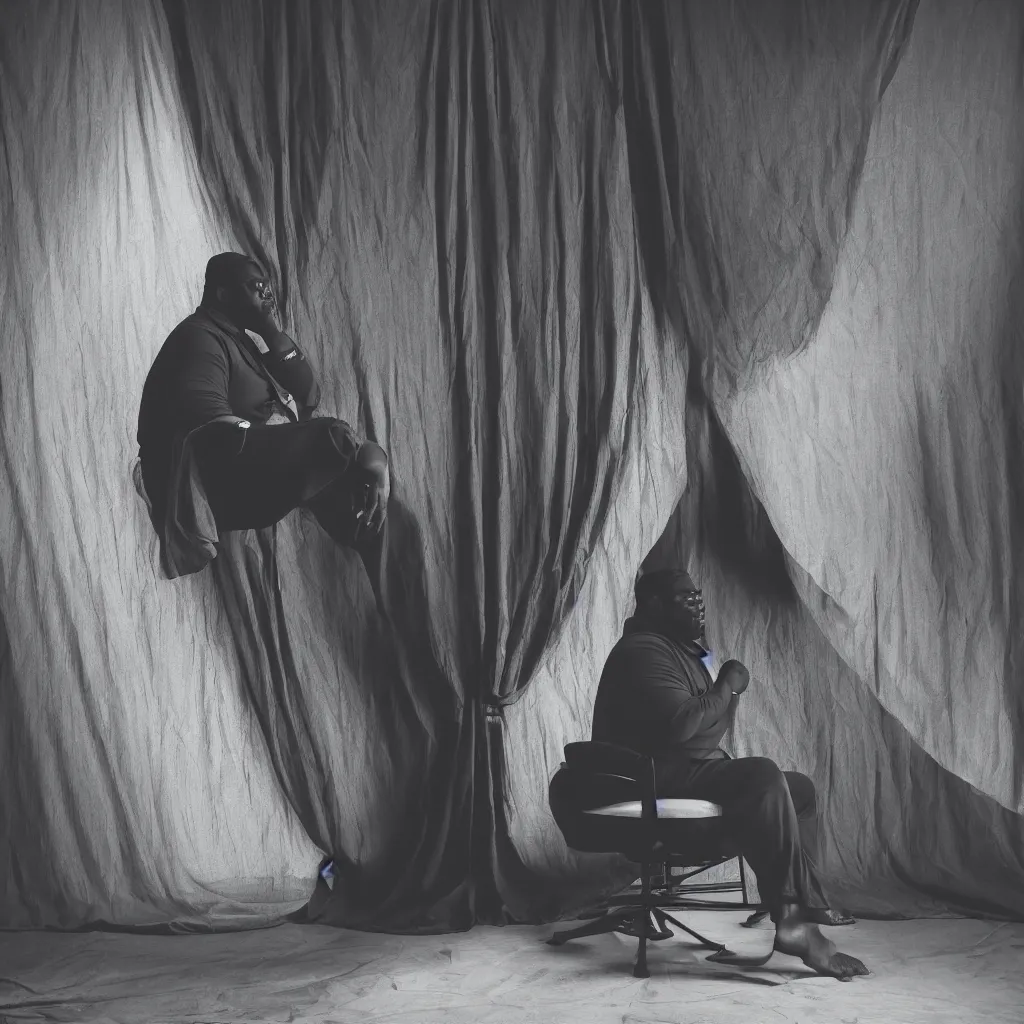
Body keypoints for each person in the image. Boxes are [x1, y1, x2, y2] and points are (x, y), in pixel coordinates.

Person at [591, 566, 868, 982]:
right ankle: (795, 922)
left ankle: (802, 895)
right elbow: (683, 727)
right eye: (685, 596)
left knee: (799, 791)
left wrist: (718, 694)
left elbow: (702, 728)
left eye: (699, 594)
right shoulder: (643, 650)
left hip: (681, 772)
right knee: (761, 775)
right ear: (652, 603)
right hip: (652, 783)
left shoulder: (678, 649)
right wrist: (727, 684)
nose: (698, 603)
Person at [136, 252, 390, 578]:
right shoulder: (200, 338)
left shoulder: (241, 340)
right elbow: (207, 430)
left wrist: (268, 329)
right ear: (224, 294)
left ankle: (382, 555)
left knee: (370, 503)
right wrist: (356, 452)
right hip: (209, 479)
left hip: (241, 463)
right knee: (333, 441)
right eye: (257, 287)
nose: (267, 296)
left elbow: (309, 394)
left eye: (268, 289)